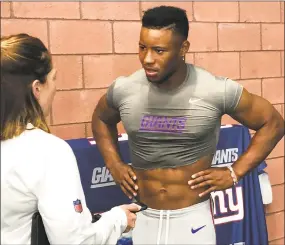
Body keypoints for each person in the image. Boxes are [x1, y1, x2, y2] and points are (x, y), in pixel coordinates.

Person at [91, 6, 284, 245]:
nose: (147, 59)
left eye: (159, 50)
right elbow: (100, 119)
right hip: (143, 218)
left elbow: (273, 123)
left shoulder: (214, 89)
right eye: (142, 48)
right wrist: (114, 164)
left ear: (183, 49)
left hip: (193, 222)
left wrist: (235, 173)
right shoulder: (125, 89)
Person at [0, 33, 141, 245]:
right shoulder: (47, 152)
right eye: (53, 78)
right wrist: (118, 220)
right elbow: (74, 241)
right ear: (37, 88)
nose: (56, 87)